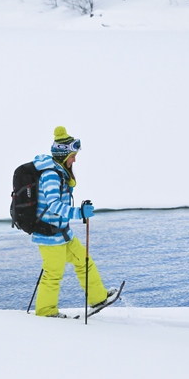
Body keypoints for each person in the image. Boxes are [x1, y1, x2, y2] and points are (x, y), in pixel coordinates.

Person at [31, 126, 117, 318]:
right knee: (53, 274)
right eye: (72, 155)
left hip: (62, 232)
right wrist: (79, 213)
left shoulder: (60, 172)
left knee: (84, 261)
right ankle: (46, 313)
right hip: (48, 235)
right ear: (63, 155)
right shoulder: (51, 175)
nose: (75, 159)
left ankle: (98, 297)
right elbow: (53, 205)